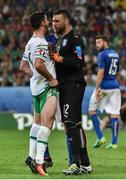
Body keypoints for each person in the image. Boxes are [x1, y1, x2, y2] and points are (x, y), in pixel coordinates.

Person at [51, 9, 92, 175]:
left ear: (66, 21)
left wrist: (60, 58)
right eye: (53, 22)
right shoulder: (60, 40)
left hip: (73, 85)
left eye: (57, 21)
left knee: (70, 123)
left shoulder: (75, 39)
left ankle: (74, 164)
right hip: (64, 85)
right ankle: (86, 163)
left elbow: (79, 61)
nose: (54, 25)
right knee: (74, 124)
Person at [20, 11, 58, 176]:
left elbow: (23, 67)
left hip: (35, 89)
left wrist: (35, 77)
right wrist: (50, 78)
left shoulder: (30, 42)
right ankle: (40, 161)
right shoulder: (41, 43)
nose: (49, 21)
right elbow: (38, 64)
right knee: (47, 125)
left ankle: (31, 156)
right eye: (46, 19)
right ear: (42, 23)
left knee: (36, 124)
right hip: (46, 88)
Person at [89, 35, 121, 149]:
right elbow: (117, 72)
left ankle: (100, 137)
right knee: (115, 114)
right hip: (115, 86)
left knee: (92, 111)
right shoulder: (116, 54)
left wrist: (97, 88)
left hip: (104, 87)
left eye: (99, 42)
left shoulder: (102, 54)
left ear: (106, 42)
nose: (97, 45)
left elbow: (101, 72)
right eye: (96, 42)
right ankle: (114, 143)